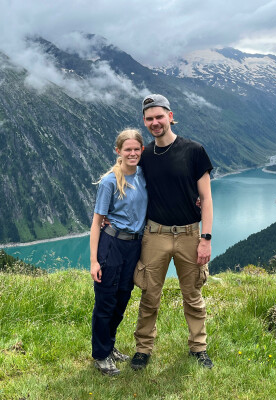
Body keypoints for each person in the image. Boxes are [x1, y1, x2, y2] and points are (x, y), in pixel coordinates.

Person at [130, 94, 214, 370]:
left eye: (159, 116)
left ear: (170, 115)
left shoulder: (194, 151)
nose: (155, 122)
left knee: (192, 294)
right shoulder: (143, 157)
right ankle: (143, 349)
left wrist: (206, 239)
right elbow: (125, 188)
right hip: (154, 235)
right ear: (144, 122)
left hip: (190, 235)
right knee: (149, 295)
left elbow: (207, 198)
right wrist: (106, 217)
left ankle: (198, 348)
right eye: (150, 118)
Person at [90, 129, 147, 376]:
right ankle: (101, 355)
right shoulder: (110, 182)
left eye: (136, 149)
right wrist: (94, 260)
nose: (132, 153)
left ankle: (109, 346)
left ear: (142, 151)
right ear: (118, 152)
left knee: (122, 298)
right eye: (127, 150)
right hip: (111, 244)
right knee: (106, 301)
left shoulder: (144, 175)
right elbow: (96, 222)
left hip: (134, 246)